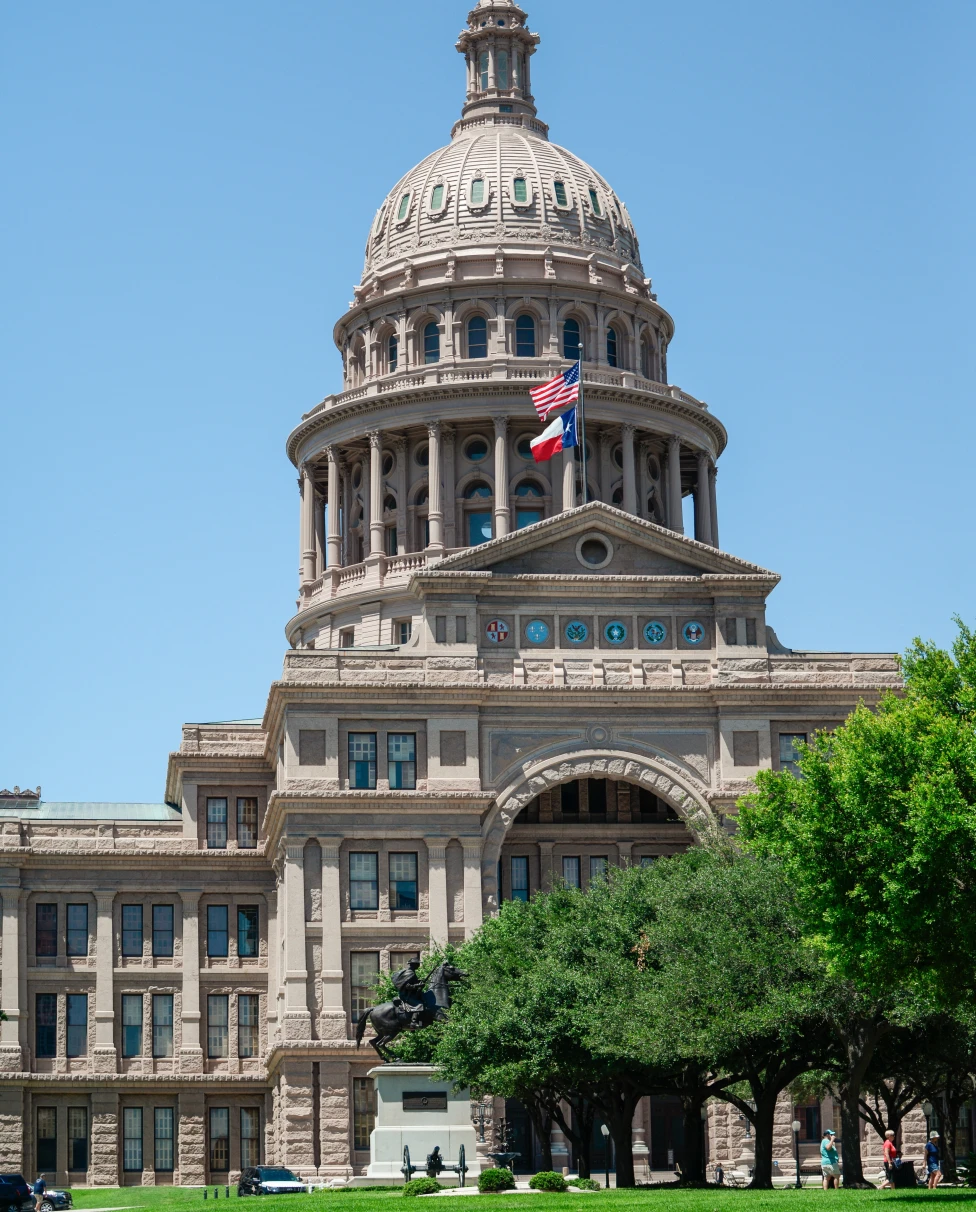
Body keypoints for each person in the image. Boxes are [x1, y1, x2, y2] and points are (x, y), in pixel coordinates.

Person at [391, 958, 426, 1029]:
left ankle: (420, 1022)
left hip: (410, 994)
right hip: (406, 995)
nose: (419, 965)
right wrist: (418, 985)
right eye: (417, 964)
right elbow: (408, 986)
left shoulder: (411, 972)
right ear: (414, 964)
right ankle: (413, 1022)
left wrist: (419, 981)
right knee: (419, 1004)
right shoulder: (410, 973)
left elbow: (411, 982)